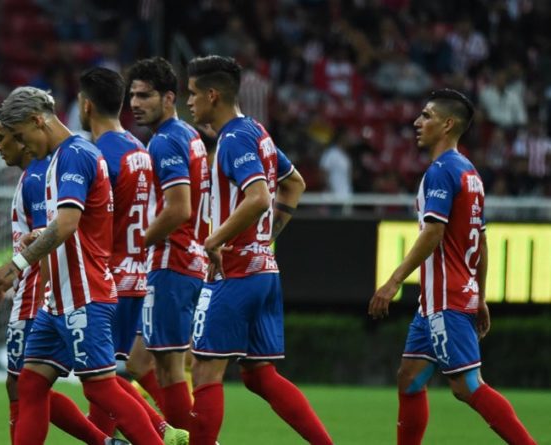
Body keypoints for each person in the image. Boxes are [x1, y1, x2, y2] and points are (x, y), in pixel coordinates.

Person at [0, 86, 165, 445]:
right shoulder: (58, 159)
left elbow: (67, 224)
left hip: (85, 293)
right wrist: (38, 238)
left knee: (100, 388)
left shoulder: (76, 154)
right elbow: (71, 224)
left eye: (20, 135)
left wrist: (15, 265)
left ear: (38, 121)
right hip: (58, 299)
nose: (22, 145)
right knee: (30, 383)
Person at [369, 88, 536, 445]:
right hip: (440, 300)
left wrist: (393, 281)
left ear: (447, 124)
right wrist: (481, 296)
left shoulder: (442, 171)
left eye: (426, 116)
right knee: (410, 377)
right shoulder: (470, 173)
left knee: (467, 386)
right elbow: (482, 241)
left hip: (446, 298)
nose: (418, 122)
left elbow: (433, 233)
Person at [185, 55, 331, 445]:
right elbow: (294, 184)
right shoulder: (257, 131)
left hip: (234, 272)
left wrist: (216, 239)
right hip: (263, 271)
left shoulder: (233, 139)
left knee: (204, 371)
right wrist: (267, 238)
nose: (189, 102)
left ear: (212, 95)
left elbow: (259, 196)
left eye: (193, 93)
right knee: (258, 375)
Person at [78, 66, 184, 441]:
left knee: (96, 382)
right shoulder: (140, 149)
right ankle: (163, 431)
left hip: (106, 279)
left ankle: (164, 433)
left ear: (86, 105)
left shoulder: (97, 155)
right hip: (137, 277)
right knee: (106, 380)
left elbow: (90, 220)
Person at [126, 56, 209, 429]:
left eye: (145, 96)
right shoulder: (189, 135)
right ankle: (168, 432)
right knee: (139, 362)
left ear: (169, 98)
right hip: (187, 259)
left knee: (170, 366)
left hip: (171, 261)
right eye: (132, 96)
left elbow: (178, 209)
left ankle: (188, 438)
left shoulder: (165, 142)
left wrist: (136, 244)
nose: (135, 104)